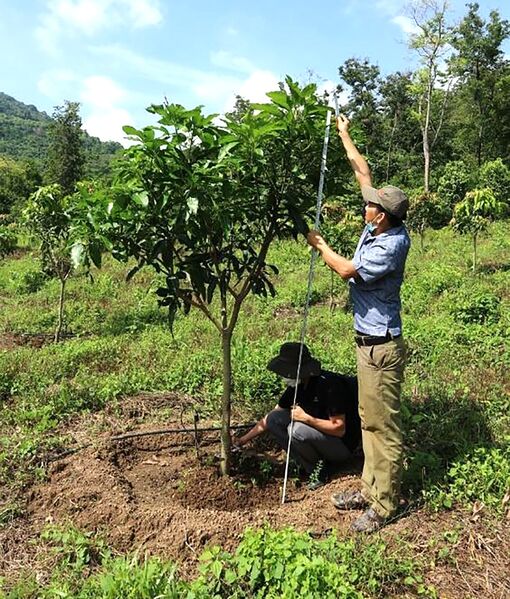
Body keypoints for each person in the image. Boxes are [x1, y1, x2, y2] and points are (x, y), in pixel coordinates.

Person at [306, 114, 410, 532]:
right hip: (368, 343)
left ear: (382, 216)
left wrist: (321, 245)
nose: (364, 205)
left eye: (370, 204)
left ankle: (385, 504)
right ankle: (369, 489)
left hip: (381, 346)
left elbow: (348, 271)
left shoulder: (390, 244)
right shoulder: (379, 223)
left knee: (383, 424)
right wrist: (344, 132)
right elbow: (363, 172)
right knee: (368, 418)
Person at [233, 342, 360, 490]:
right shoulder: (296, 386)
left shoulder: (329, 386)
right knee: (275, 419)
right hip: (317, 437)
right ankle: (309, 465)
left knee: (297, 430)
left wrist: (306, 418)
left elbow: (339, 428)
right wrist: (242, 440)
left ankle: (321, 470)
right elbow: (271, 418)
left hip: (341, 446)